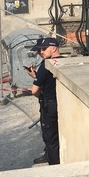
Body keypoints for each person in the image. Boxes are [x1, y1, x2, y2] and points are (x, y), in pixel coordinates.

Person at [25, 37, 62, 165]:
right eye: (39, 50)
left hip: (49, 104)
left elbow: (34, 90)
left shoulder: (45, 65)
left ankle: (53, 163)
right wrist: (36, 76)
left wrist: (40, 95)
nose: (41, 52)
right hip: (62, 102)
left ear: (54, 48)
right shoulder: (66, 62)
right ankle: (49, 155)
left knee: (50, 135)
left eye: (43, 49)